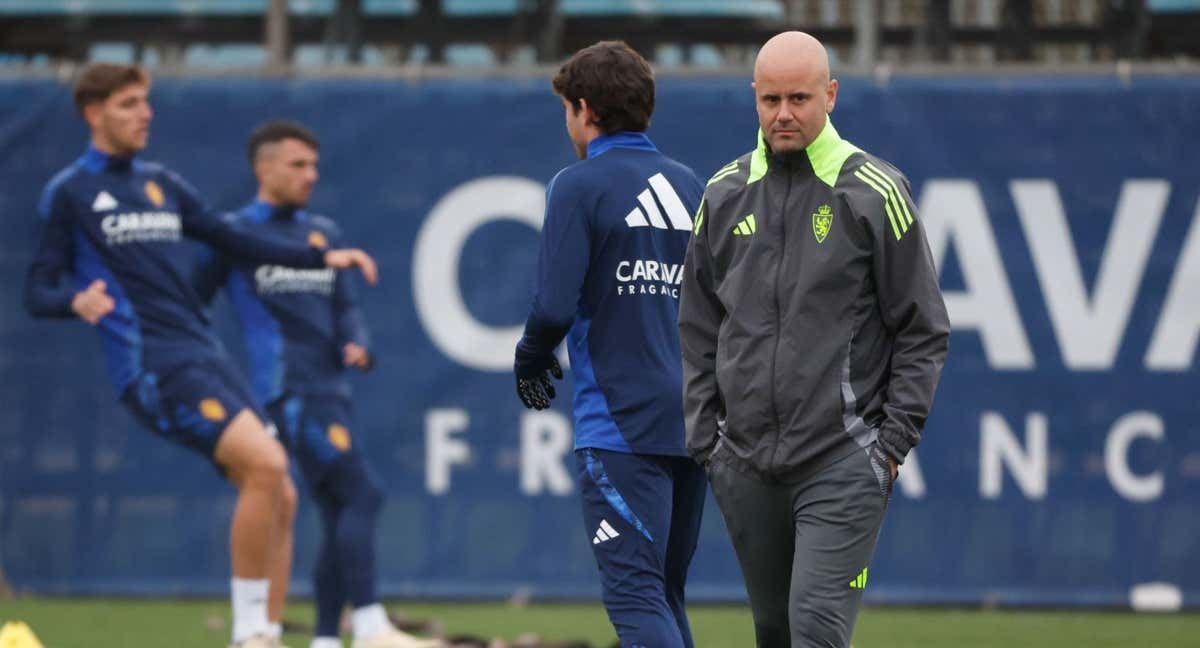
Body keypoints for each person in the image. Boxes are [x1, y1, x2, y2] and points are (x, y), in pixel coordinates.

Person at [23, 63, 377, 648]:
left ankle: (265, 630)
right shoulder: (70, 193)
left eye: (146, 102)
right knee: (266, 467)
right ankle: (249, 635)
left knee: (281, 489)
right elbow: (37, 289)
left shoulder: (162, 183)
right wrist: (73, 300)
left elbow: (232, 238)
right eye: (129, 103)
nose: (146, 113)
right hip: (151, 364)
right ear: (93, 113)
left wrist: (319, 260)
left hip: (203, 354)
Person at [677, 32, 951, 648]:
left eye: (799, 97)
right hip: (743, 463)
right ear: (754, 98)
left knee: (815, 629)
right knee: (774, 631)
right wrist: (706, 439)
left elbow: (923, 326)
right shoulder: (721, 195)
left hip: (843, 460)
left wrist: (890, 446)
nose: (783, 114)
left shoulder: (875, 192)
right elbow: (697, 325)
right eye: (770, 99)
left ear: (831, 94)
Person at [192, 120, 439, 648]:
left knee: (336, 508)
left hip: (332, 390)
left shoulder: (322, 233)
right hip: (286, 392)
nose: (312, 174)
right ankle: (370, 624)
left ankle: (326, 637)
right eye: (298, 164)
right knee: (363, 494)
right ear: (264, 168)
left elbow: (345, 306)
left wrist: (358, 343)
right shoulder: (235, 235)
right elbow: (190, 306)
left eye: (314, 164)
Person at [513, 41, 706, 648]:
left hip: (622, 422)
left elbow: (552, 305)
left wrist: (531, 356)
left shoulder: (578, 184)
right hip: (693, 416)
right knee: (663, 591)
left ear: (583, 108)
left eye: (567, 110)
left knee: (635, 595)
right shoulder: (689, 185)